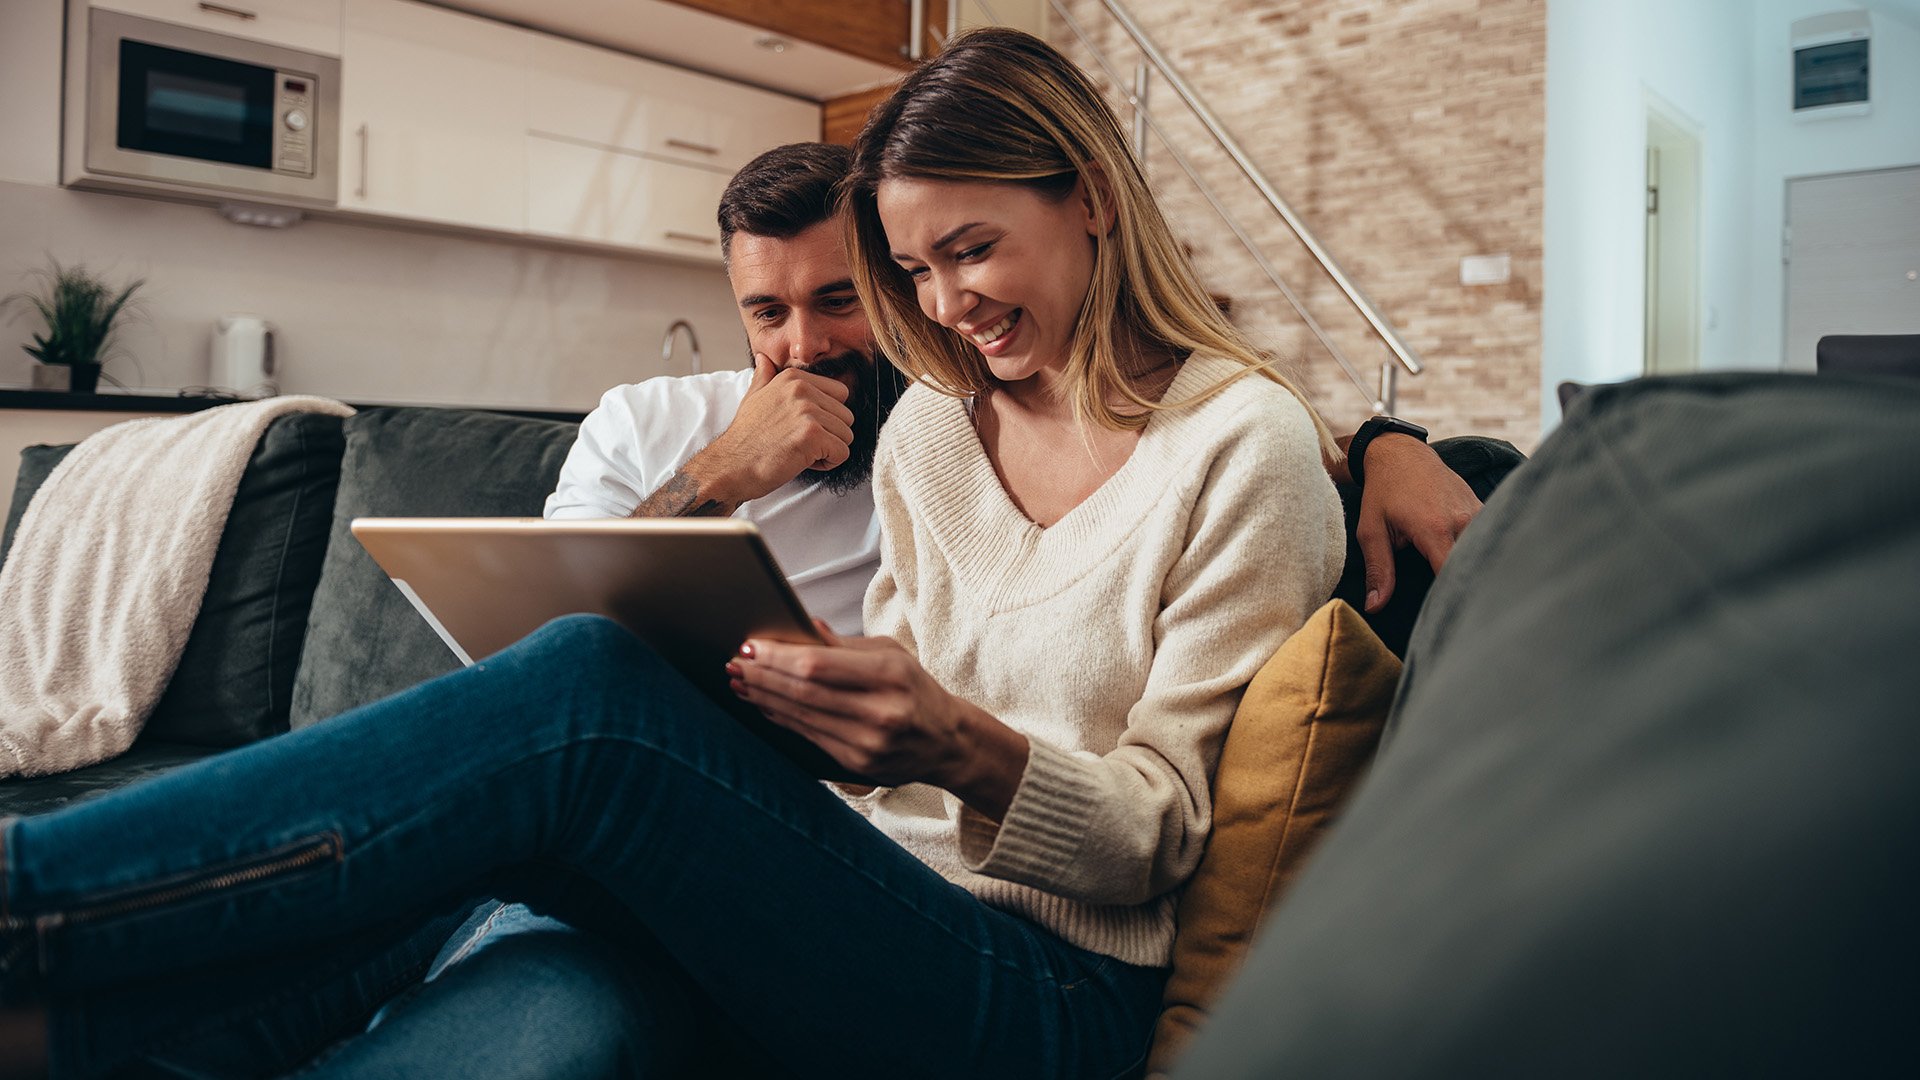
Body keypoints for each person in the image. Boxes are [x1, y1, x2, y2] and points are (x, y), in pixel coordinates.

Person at [0, 35, 1480, 1078]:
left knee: (583, 693)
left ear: (1089, 195)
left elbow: (1161, 836)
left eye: (970, 248)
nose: (944, 303)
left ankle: (31, 904)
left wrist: (963, 747)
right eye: (914, 269)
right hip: (875, 901)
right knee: (548, 938)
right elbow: (878, 764)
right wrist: (809, 720)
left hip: (1050, 995)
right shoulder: (936, 441)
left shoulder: (1248, 451)